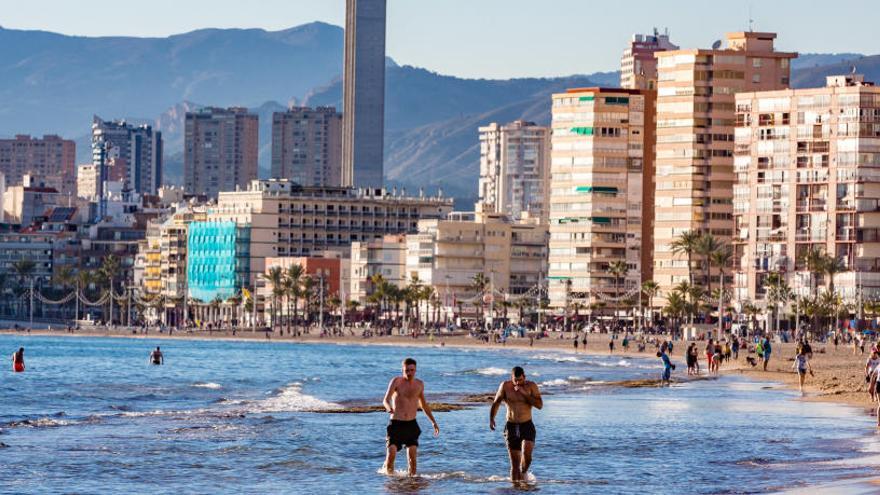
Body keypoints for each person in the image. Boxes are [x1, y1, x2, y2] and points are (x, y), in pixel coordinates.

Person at [382, 357, 440, 476]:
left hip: (411, 424)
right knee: (391, 455)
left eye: (411, 370)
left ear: (415, 370)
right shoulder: (396, 381)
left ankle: (411, 485)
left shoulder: (419, 384)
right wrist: (389, 408)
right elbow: (385, 400)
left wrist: (433, 422)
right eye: (406, 370)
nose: (409, 373)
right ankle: (391, 483)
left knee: (412, 459)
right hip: (396, 424)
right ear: (402, 370)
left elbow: (423, 405)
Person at [490, 366, 543, 483]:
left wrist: (525, 394)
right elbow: (496, 402)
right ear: (511, 378)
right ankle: (515, 489)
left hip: (527, 425)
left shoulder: (531, 386)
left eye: (520, 380)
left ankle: (523, 473)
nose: (518, 382)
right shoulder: (505, 386)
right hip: (511, 426)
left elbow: (539, 405)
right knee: (514, 465)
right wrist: (492, 418)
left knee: (527, 456)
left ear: (524, 377)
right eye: (516, 380)